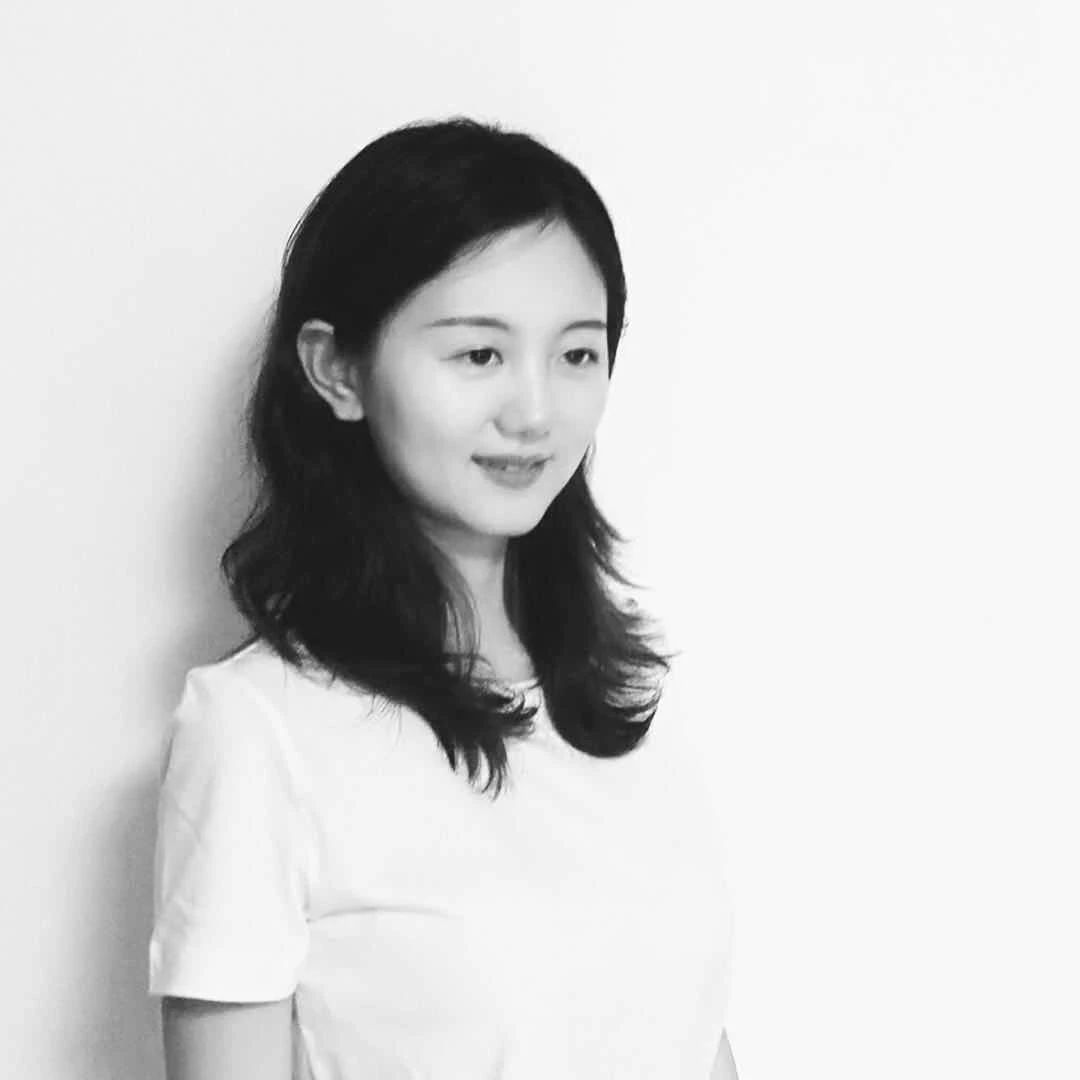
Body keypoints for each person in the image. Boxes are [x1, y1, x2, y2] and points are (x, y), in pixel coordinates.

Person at [148, 115, 738, 1080]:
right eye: (479, 355)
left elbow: (694, 1043)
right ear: (337, 369)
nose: (535, 412)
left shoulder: (626, 700)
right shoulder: (259, 730)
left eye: (577, 354)